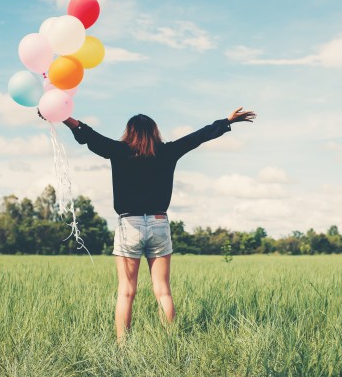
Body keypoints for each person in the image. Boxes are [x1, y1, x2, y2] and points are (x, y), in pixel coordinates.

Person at [59, 107, 256, 340]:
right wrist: (226, 121)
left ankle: (123, 349)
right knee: (163, 291)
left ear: (129, 132)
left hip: (129, 226)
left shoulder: (117, 150)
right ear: (154, 132)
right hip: (159, 223)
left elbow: (87, 134)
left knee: (126, 292)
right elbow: (198, 137)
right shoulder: (168, 151)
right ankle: (169, 344)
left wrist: (62, 116)